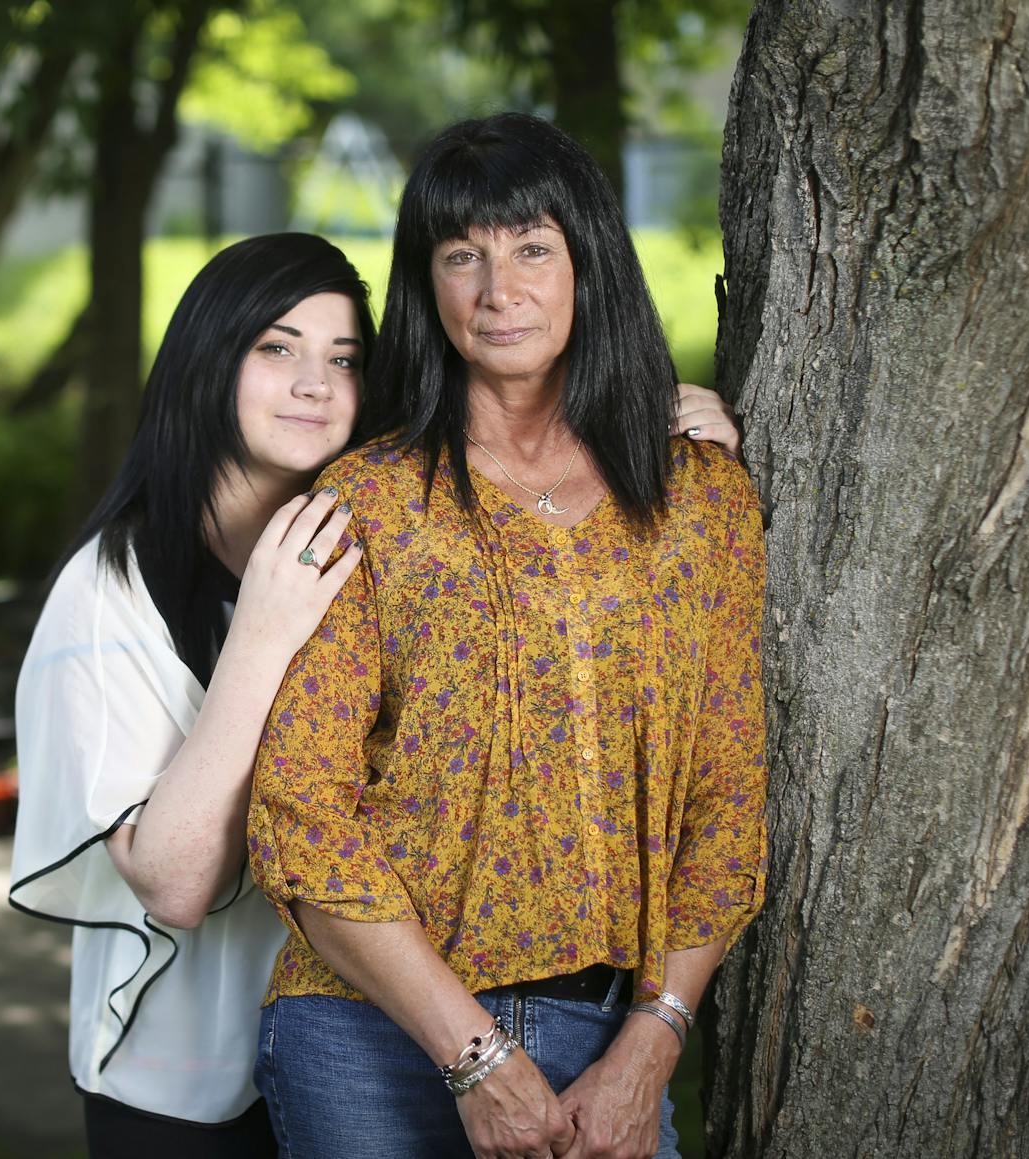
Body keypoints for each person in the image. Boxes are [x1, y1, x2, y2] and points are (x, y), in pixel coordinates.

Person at [248, 113, 768, 1159]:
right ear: (425, 284)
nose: (499, 289)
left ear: (588, 263)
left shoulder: (699, 498)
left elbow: (728, 792)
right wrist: (476, 1057)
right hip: (369, 1031)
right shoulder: (365, 505)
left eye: (533, 247)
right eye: (460, 255)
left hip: (610, 1034)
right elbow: (303, 814)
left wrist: (652, 1043)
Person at [8, 233, 371, 1158]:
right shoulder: (109, 590)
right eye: (277, 348)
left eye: (343, 359)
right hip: (180, 1095)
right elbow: (174, 879)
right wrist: (262, 632)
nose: (314, 384)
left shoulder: (370, 553)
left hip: (357, 1066)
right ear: (210, 362)